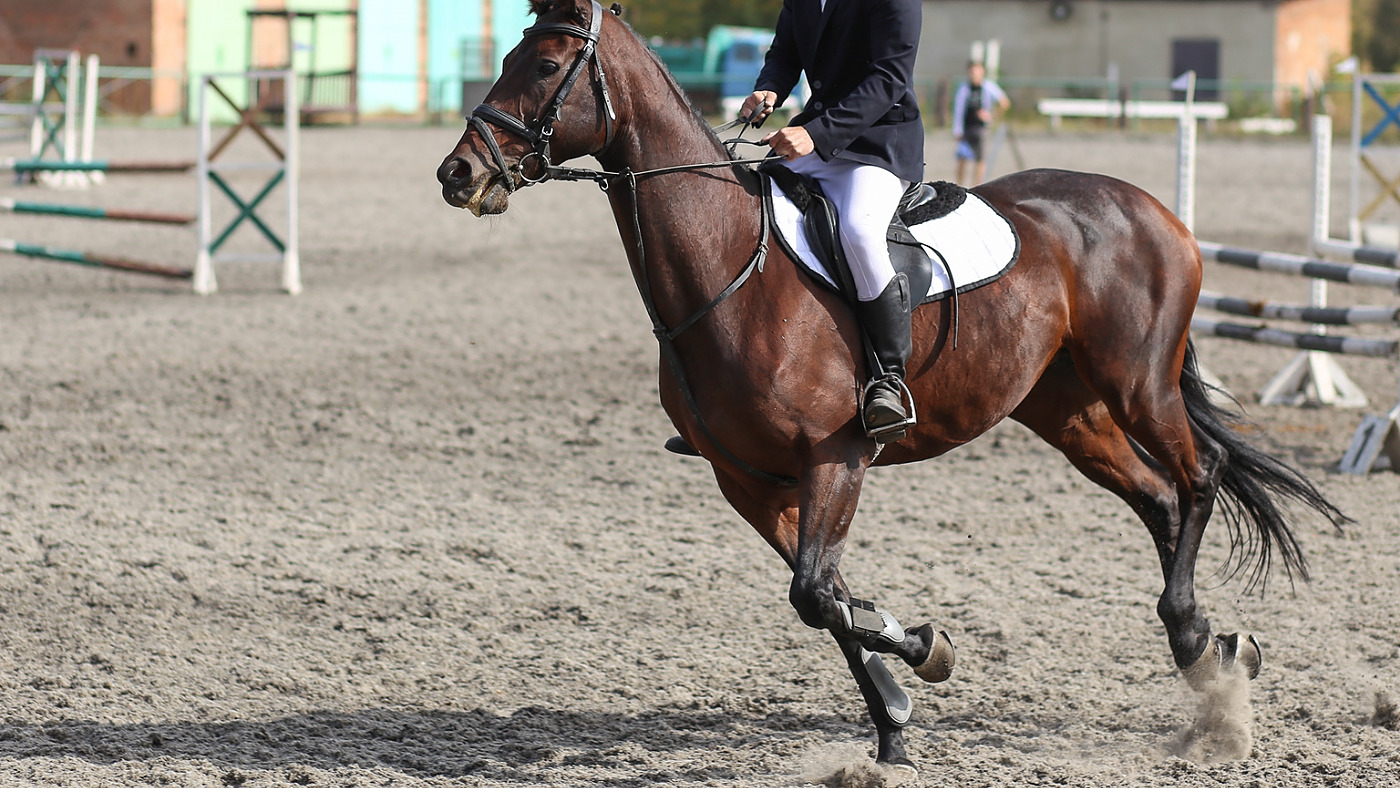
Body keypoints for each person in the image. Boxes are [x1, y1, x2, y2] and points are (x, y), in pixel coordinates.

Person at [741, 0, 924, 442]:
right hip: (816, 137)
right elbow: (784, 52)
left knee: (860, 232)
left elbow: (889, 78)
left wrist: (816, 134)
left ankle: (889, 379)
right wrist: (770, 89)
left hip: (878, 146)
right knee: (746, 209)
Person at [951, 60, 1009, 185]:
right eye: (972, 72)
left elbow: (1004, 102)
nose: (974, 75)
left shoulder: (988, 87)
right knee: (962, 158)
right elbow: (958, 109)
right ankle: (959, 185)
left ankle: (976, 187)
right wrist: (957, 129)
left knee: (980, 159)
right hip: (966, 128)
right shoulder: (963, 88)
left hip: (981, 128)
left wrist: (991, 115)